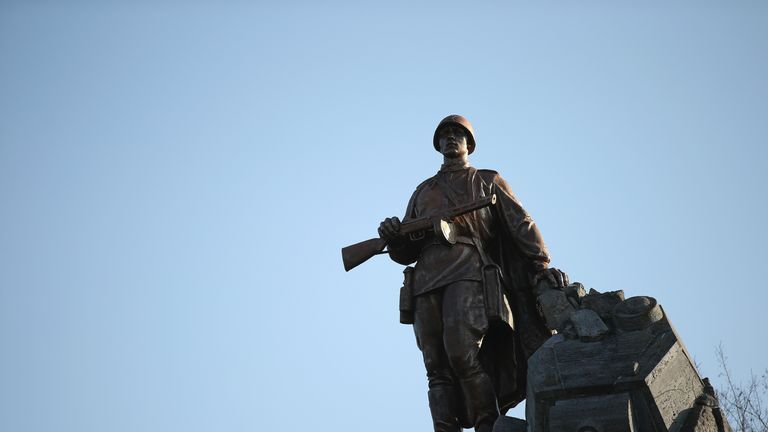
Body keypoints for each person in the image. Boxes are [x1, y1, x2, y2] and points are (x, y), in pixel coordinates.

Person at [378, 115, 567, 432]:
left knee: (463, 353)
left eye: (458, 133)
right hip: (425, 279)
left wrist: (541, 264)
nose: (451, 138)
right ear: (438, 144)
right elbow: (404, 252)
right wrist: (393, 235)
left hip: (468, 269)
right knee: (435, 366)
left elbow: (522, 224)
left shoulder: (487, 180)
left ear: (470, 144)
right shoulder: (423, 192)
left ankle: (486, 424)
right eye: (445, 134)